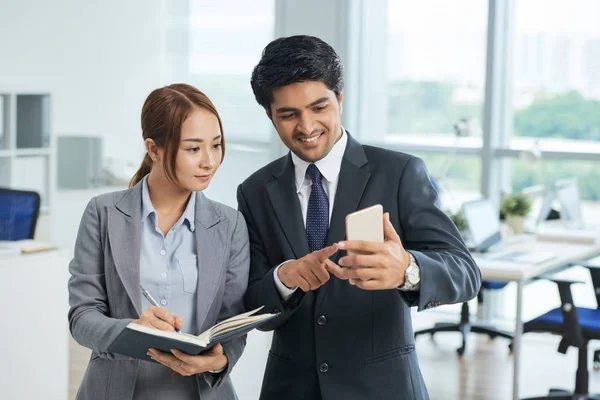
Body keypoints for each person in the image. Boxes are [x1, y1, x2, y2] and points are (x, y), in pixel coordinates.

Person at [237, 35, 481, 400]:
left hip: (383, 388)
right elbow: (252, 302)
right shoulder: (255, 190)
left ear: (340, 97)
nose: (306, 127)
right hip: (291, 390)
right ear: (270, 115)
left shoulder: (399, 173)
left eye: (319, 107)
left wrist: (408, 270)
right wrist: (283, 280)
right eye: (288, 114)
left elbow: (465, 272)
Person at [68, 84, 249, 400]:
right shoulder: (103, 213)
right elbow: (82, 317)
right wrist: (132, 330)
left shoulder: (230, 224)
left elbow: (233, 325)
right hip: (114, 390)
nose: (210, 161)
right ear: (154, 149)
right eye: (193, 149)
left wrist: (220, 359)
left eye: (216, 145)